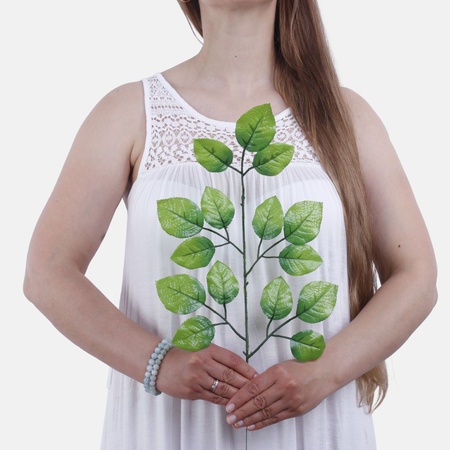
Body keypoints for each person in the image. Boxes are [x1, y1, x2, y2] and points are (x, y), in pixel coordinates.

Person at [23, 1, 438, 449]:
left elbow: (416, 276)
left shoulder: (346, 116)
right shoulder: (131, 111)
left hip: (317, 429)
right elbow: (47, 271)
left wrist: (325, 371)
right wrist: (158, 362)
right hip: (169, 431)